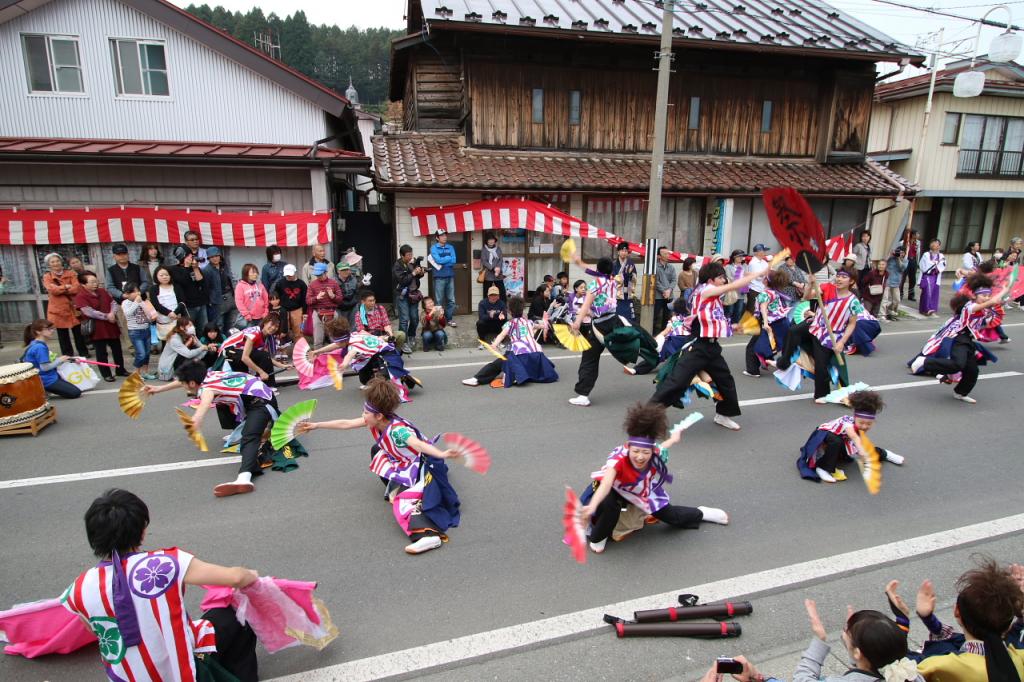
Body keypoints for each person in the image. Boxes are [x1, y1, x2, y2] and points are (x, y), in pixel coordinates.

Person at [61, 489, 259, 680]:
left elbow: (92, 629)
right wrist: (251, 575)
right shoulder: (163, 564)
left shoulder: (79, 588)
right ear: (141, 531)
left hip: (125, 677)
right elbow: (235, 578)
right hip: (179, 672)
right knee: (235, 615)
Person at [296, 377, 463, 554]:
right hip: (401, 461)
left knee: (404, 503)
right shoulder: (376, 420)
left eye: (365, 413)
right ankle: (395, 487)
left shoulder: (398, 431)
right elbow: (346, 423)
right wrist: (316, 425)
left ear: (379, 415)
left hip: (418, 467)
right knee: (377, 451)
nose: (362, 416)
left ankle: (428, 536)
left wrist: (441, 453)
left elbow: (418, 444)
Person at [575, 402, 728, 555]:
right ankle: (599, 537)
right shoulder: (617, 460)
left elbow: (665, 445)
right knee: (608, 504)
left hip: (641, 490)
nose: (640, 457)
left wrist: (675, 438)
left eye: (645, 452)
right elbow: (606, 484)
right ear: (628, 447)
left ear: (652, 450)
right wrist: (592, 505)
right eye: (636, 451)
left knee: (670, 515)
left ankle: (701, 513)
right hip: (615, 489)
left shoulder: (655, 453)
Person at [649, 261, 763, 428]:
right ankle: (648, 415)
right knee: (677, 382)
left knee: (726, 381)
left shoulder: (712, 297)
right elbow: (733, 286)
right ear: (710, 280)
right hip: (697, 346)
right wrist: (756, 274)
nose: (724, 281)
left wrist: (733, 327)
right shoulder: (705, 290)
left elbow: (711, 321)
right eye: (721, 277)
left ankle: (723, 414)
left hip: (711, 347)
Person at [145, 360, 280, 498]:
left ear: (192, 383)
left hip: (261, 402)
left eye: (186, 384)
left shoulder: (206, 389)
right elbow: (182, 381)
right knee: (225, 406)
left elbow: (205, 402)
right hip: (252, 397)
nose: (184, 387)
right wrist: (157, 389)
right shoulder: (207, 375)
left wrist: (197, 418)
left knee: (249, 438)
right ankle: (260, 428)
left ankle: (244, 478)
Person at [905, 558, 1024, 681]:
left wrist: (901, 621)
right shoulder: (1018, 654)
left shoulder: (941, 665)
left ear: (956, 611)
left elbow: (897, 667)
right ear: (1009, 624)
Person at [909, 273, 1003, 404]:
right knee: (957, 364)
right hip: (959, 339)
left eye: (988, 295)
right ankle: (924, 362)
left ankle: (960, 392)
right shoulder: (970, 306)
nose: (986, 298)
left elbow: (987, 317)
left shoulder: (983, 308)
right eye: (983, 295)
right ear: (975, 295)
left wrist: (1002, 299)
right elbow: (988, 304)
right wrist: (999, 295)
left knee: (972, 370)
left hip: (969, 341)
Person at [797, 390, 904, 484]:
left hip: (842, 441)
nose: (865, 426)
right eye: (861, 422)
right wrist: (861, 450)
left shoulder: (860, 428)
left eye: (869, 424)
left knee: (864, 448)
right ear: (855, 418)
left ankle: (886, 454)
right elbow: (854, 437)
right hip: (823, 437)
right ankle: (823, 467)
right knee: (836, 441)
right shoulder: (847, 422)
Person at [462, 295, 557, 387]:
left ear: (510, 311)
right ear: (522, 310)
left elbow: (502, 335)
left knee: (498, 363)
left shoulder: (510, 324)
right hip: (536, 353)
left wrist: (494, 344)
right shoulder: (528, 322)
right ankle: (518, 375)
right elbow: (542, 326)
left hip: (518, 352)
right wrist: (544, 321)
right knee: (515, 360)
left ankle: (477, 379)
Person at [566, 253, 618, 407]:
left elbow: (585, 306)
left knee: (589, 359)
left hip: (599, 326)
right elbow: (592, 270)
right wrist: (578, 262)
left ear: (598, 269)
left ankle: (583, 394)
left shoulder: (595, 285)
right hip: (614, 321)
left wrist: (577, 322)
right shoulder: (612, 281)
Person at [74, 272, 128, 382]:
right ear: (84, 284)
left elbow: (113, 303)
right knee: (101, 352)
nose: (95, 283)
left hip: (111, 324)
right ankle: (106, 373)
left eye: (96, 281)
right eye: (92, 282)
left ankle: (120, 369)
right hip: (97, 327)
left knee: (117, 349)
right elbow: (88, 311)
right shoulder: (80, 296)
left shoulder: (102, 291)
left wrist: (112, 313)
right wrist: (106, 316)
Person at [743, 268, 793, 377]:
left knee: (752, 347)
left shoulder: (764, 294)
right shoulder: (776, 292)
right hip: (779, 322)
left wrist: (765, 323)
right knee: (770, 343)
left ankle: (753, 370)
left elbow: (763, 309)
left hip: (768, 322)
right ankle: (767, 359)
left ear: (766, 281)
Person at [42, 252, 89, 358]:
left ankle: (83, 352)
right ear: (49, 264)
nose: (55, 263)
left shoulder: (71, 273)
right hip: (58, 309)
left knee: (78, 331)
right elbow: (52, 290)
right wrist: (66, 287)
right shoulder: (47, 276)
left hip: (72, 306)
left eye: (57, 261)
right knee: (62, 333)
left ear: (61, 261)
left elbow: (76, 288)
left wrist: (62, 289)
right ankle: (67, 354)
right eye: (52, 262)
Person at [219, 314, 287, 385]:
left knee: (264, 356)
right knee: (245, 385)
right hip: (230, 352)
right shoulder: (255, 333)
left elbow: (267, 358)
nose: (273, 328)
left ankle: (266, 385)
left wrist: (282, 366)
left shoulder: (267, 337)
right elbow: (245, 358)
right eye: (272, 324)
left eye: (276, 326)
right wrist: (261, 372)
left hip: (240, 353)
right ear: (265, 323)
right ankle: (263, 385)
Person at [21, 319, 81, 398]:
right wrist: (60, 360)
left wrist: (65, 359)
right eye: (48, 329)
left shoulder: (36, 343)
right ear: (38, 331)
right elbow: (45, 367)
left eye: (52, 328)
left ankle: (45, 389)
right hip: (46, 379)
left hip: (45, 376)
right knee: (75, 393)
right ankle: (43, 389)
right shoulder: (40, 347)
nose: (52, 331)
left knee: (74, 389)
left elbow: (47, 362)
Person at [121, 283, 157, 380]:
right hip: (135, 332)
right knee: (141, 353)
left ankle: (145, 372)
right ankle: (136, 374)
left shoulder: (141, 301)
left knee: (147, 352)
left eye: (138, 291)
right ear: (127, 294)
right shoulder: (125, 303)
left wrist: (151, 317)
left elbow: (148, 313)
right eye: (135, 291)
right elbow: (128, 313)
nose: (137, 293)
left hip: (146, 329)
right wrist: (136, 302)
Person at [392, 244, 424, 354]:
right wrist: (413, 273)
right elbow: (402, 281)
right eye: (408, 255)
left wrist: (420, 272)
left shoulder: (412, 263)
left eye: (411, 254)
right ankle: (403, 342)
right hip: (403, 295)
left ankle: (411, 336)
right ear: (402, 255)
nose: (411, 256)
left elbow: (417, 276)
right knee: (404, 319)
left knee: (415, 318)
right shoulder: (398, 265)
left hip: (414, 294)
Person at [157, 315, 209, 380]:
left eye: (192, 325)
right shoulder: (174, 338)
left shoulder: (190, 334)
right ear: (181, 327)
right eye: (189, 326)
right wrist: (201, 348)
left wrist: (207, 348)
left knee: (204, 351)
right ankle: (178, 375)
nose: (192, 327)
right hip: (167, 370)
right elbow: (188, 354)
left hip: (181, 358)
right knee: (188, 353)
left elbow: (202, 347)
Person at [168, 246, 207, 330]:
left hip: (201, 303)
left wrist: (195, 268)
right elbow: (183, 282)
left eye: (192, 255)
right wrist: (186, 267)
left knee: (203, 328)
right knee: (190, 329)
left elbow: (201, 282)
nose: (192, 257)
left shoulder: (194, 268)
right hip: (188, 306)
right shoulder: (174, 270)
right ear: (183, 257)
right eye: (189, 256)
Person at [306, 262, 343, 347]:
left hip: (332, 312)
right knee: (318, 339)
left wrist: (333, 296)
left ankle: (336, 356)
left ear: (326, 272)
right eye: (317, 275)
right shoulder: (312, 285)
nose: (318, 277)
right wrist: (316, 298)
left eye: (320, 275)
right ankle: (317, 358)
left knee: (334, 338)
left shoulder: (334, 283)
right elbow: (308, 301)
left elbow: (340, 300)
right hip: (318, 312)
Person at [203, 246, 237, 332]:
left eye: (216, 256)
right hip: (216, 300)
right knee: (219, 324)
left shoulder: (224, 266)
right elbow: (206, 288)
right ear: (208, 258)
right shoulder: (207, 270)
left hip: (229, 296)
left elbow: (231, 279)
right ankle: (220, 343)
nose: (215, 258)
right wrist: (210, 301)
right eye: (212, 257)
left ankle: (230, 342)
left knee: (231, 322)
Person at [430, 229, 457, 325]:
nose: (444, 237)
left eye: (445, 235)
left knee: (451, 300)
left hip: (450, 276)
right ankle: (438, 320)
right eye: (442, 236)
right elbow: (437, 260)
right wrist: (447, 258)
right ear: (437, 238)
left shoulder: (451, 247)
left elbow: (454, 260)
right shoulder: (434, 248)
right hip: (439, 277)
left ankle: (449, 319)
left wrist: (443, 260)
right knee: (439, 300)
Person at [150, 264, 183, 342]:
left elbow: (182, 301)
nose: (164, 277)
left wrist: (175, 312)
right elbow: (156, 304)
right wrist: (169, 313)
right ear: (156, 276)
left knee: (177, 340)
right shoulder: (154, 289)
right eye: (161, 275)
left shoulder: (176, 286)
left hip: (176, 318)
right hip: (163, 319)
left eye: (166, 275)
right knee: (166, 340)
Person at [274, 263, 307, 342]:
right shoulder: (280, 283)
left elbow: (305, 299)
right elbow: (275, 295)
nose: (289, 276)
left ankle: (299, 349)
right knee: (282, 331)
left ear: (295, 272)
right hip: (283, 309)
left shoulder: (301, 284)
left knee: (299, 332)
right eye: (287, 275)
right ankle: (282, 349)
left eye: (290, 275)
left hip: (297, 310)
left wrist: (304, 312)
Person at [234, 263, 269, 328]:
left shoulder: (260, 285)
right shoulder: (240, 286)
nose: (255, 274)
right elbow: (239, 302)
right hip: (249, 319)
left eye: (256, 272)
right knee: (251, 336)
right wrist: (246, 315)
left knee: (261, 335)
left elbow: (266, 299)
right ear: (246, 273)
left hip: (261, 317)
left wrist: (266, 311)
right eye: (253, 272)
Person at [918, 239, 946, 316]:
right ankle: (926, 309)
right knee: (927, 292)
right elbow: (923, 264)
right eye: (933, 243)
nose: (934, 245)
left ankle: (932, 308)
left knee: (934, 292)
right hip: (928, 275)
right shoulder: (926, 254)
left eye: (936, 244)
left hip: (936, 276)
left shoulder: (941, 256)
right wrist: (935, 263)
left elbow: (943, 264)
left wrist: (936, 266)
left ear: (939, 246)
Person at [612, 241, 638, 323]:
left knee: (628, 316)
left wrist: (630, 276)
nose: (624, 253)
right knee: (618, 315)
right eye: (622, 251)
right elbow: (612, 278)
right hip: (617, 295)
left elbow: (634, 278)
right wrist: (623, 276)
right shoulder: (613, 264)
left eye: (626, 251)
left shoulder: (631, 263)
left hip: (627, 294)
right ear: (618, 252)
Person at [654, 246, 677, 333]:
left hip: (669, 295)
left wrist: (669, 290)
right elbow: (655, 281)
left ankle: (664, 334)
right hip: (658, 296)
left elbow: (674, 280)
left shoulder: (671, 267)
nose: (668, 255)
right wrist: (664, 291)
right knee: (656, 316)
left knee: (667, 316)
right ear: (659, 256)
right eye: (665, 253)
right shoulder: (655, 267)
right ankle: (654, 334)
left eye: (668, 253)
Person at [745, 243, 771, 312]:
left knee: (761, 311)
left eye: (765, 251)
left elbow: (768, 272)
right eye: (763, 251)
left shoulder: (763, 262)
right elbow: (758, 277)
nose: (765, 253)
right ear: (757, 252)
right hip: (754, 289)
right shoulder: (753, 263)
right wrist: (765, 273)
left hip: (762, 289)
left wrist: (765, 273)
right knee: (752, 310)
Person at [480, 231, 505, 300]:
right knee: (487, 292)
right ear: (487, 241)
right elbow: (484, 261)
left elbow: (500, 260)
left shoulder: (498, 249)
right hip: (488, 274)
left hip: (498, 274)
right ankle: (486, 307)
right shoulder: (484, 250)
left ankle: (503, 307)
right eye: (489, 240)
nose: (491, 241)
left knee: (501, 291)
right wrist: (493, 268)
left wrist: (498, 268)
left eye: (492, 239)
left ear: (494, 241)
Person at [725, 250, 748, 324]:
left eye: (742, 256)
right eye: (739, 256)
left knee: (739, 310)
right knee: (730, 310)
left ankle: (736, 326)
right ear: (734, 257)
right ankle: (727, 325)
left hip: (741, 292)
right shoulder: (728, 267)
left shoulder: (745, 266)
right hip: (731, 292)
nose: (741, 258)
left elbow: (746, 276)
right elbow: (729, 278)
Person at [885, 247, 908, 321]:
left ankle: (889, 310)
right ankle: (883, 314)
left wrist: (898, 259)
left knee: (897, 300)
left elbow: (902, 268)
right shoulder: (891, 258)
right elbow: (883, 262)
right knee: (885, 299)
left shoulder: (905, 260)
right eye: (899, 252)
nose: (900, 254)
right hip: (887, 281)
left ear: (904, 253)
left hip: (896, 282)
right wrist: (890, 255)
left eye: (902, 253)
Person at [335, 261, 359, 325]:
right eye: (343, 270)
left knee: (354, 327)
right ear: (338, 271)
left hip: (353, 306)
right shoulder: (333, 280)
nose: (345, 271)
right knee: (341, 327)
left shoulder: (354, 279)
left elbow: (357, 292)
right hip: (340, 307)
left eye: (347, 269)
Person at [900, 229, 921, 302]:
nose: (918, 235)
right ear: (913, 235)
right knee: (903, 278)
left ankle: (911, 295)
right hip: (906, 260)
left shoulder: (918, 243)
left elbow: (918, 253)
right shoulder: (903, 242)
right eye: (917, 234)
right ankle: (900, 293)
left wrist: (917, 262)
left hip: (913, 261)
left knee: (913, 279)